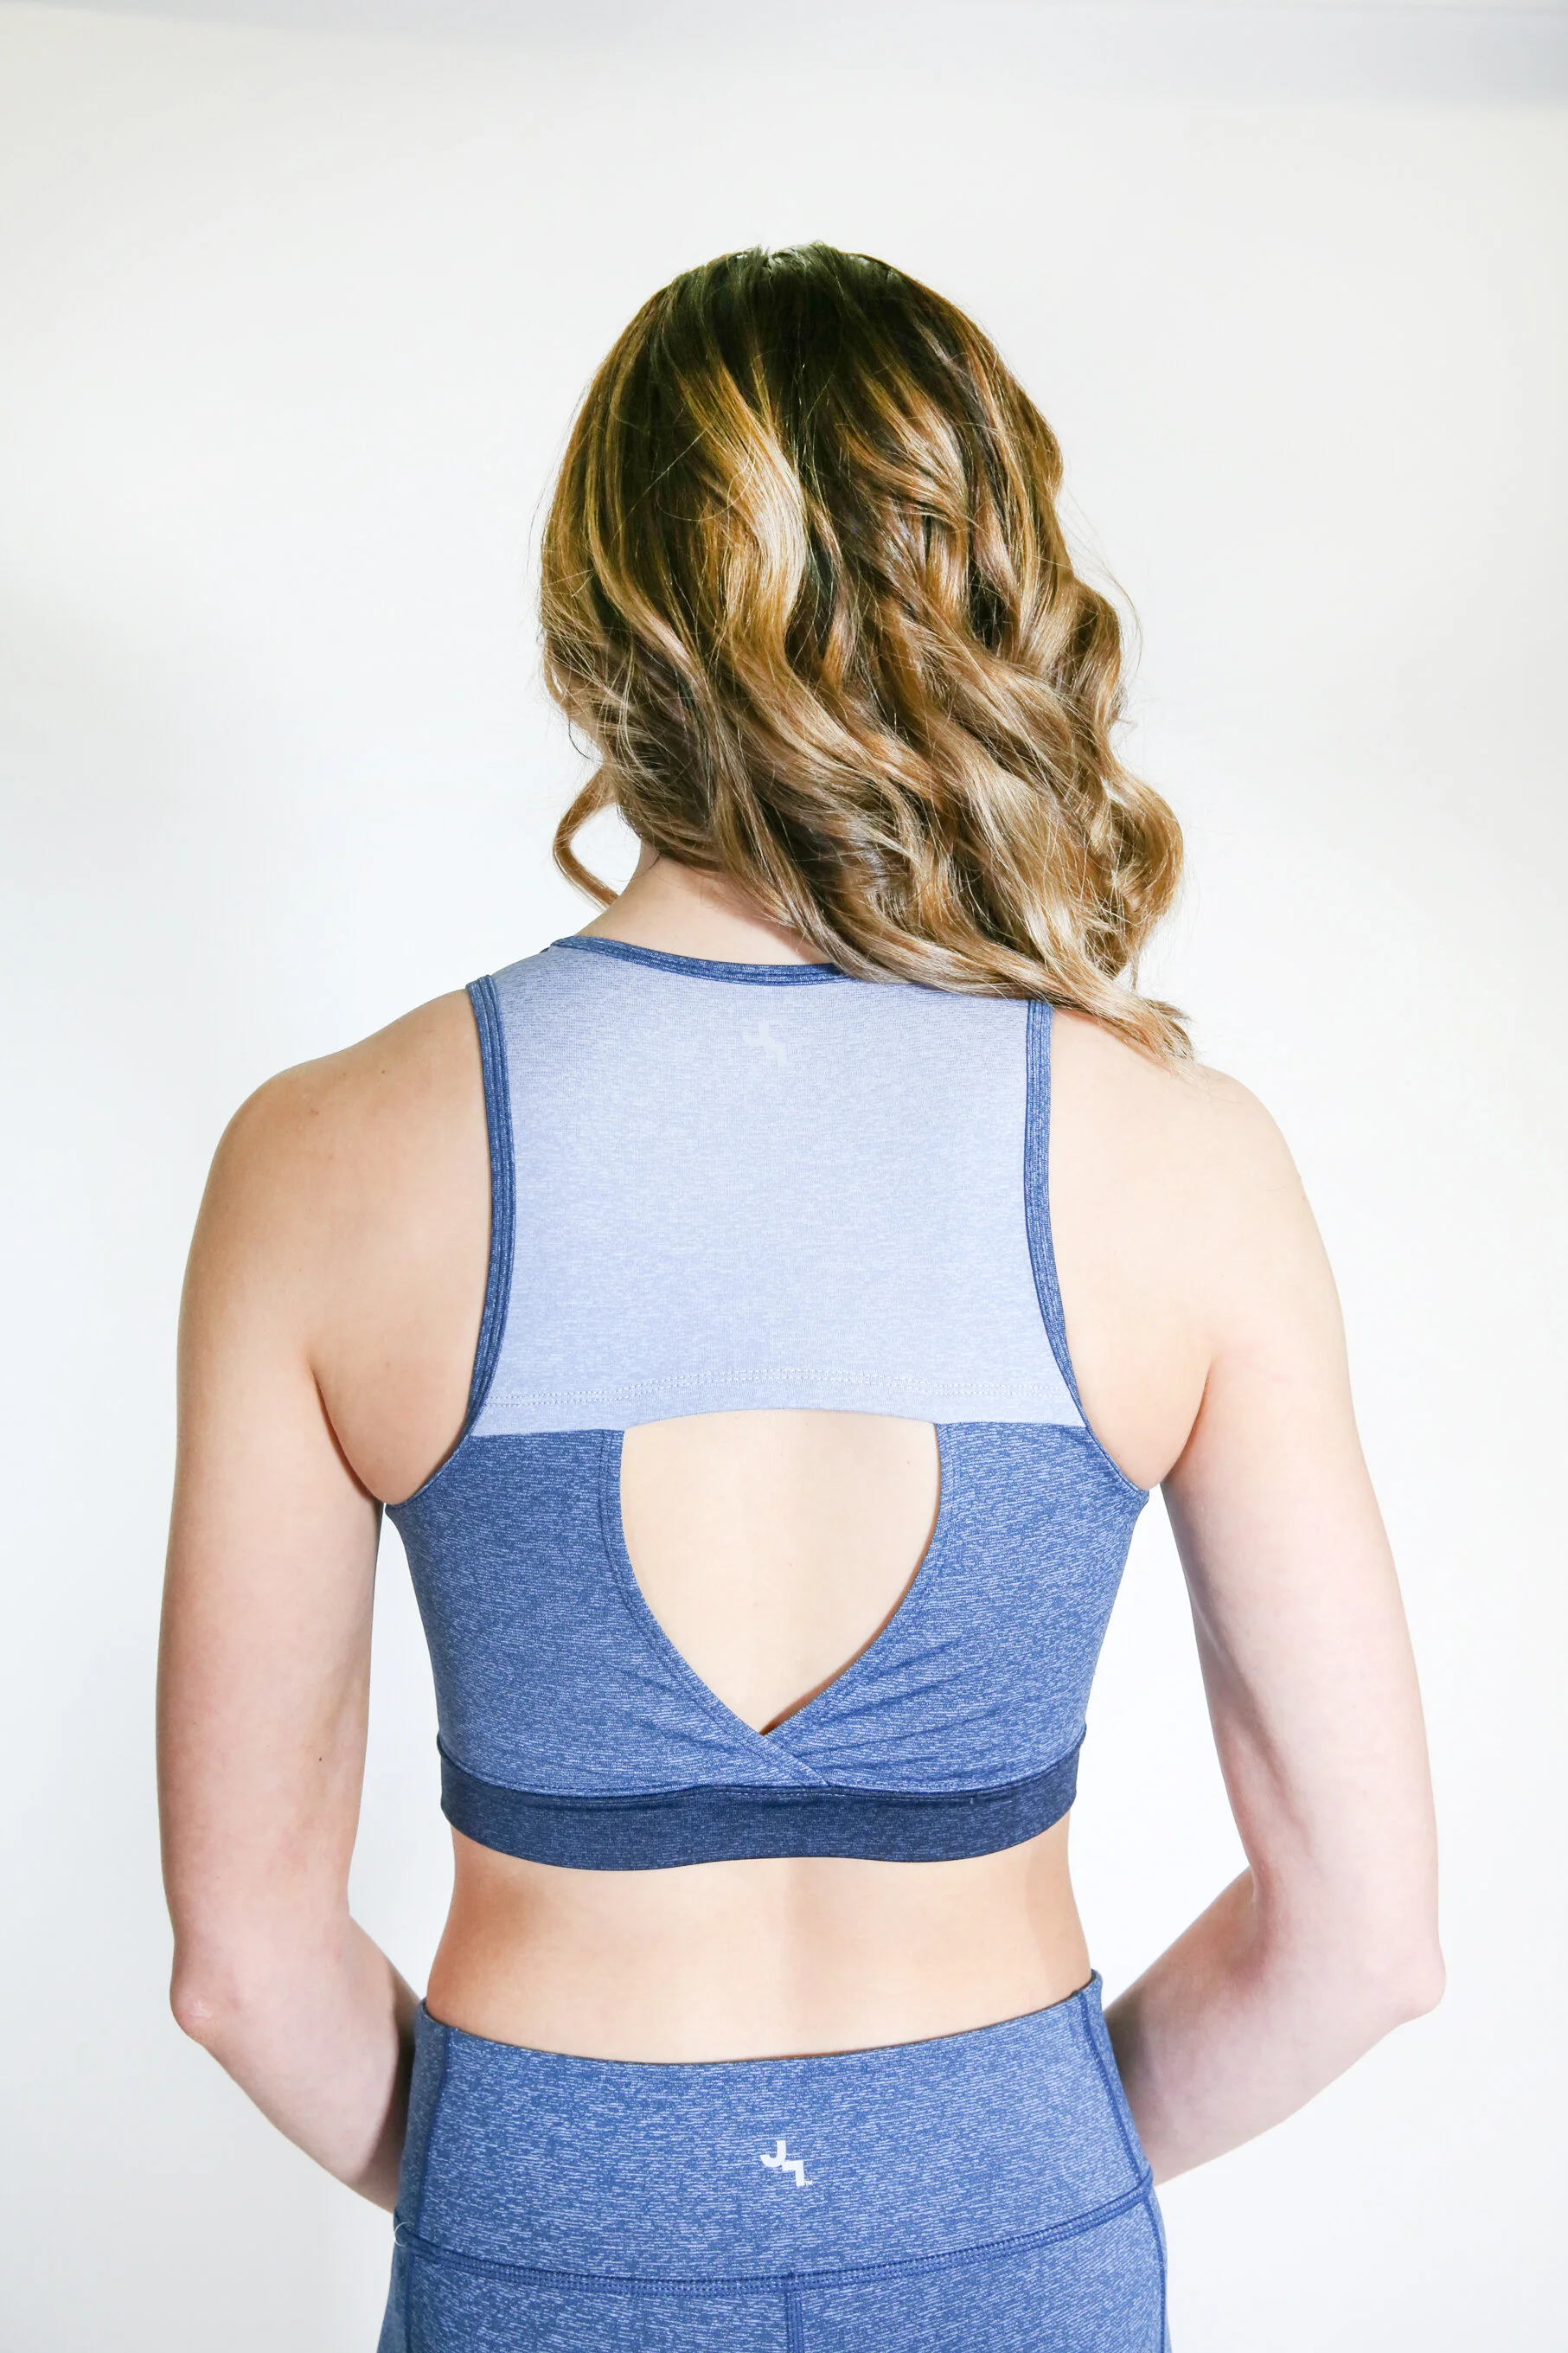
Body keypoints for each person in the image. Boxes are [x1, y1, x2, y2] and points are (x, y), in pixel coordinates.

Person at [157, 245, 1443, 2352]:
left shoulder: (323, 1160)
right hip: (1020, 2230)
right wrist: (998, 2172)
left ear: (598, 606)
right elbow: (1369, 1941)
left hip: (545, 2242)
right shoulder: (1184, 1162)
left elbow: (243, 1968)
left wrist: (569, 2202)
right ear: (987, 582)